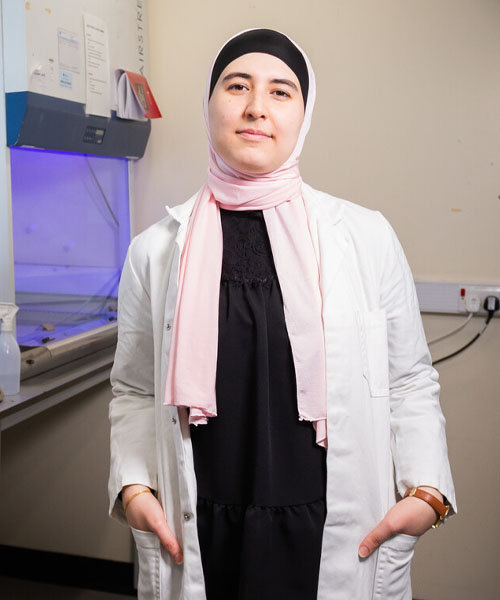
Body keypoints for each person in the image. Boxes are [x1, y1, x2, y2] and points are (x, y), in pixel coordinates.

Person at [108, 28, 456, 600]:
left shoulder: (365, 237)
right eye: (236, 85)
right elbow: (131, 388)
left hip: (329, 527)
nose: (255, 109)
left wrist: (427, 495)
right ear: (209, 103)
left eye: (280, 92)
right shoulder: (156, 249)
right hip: (203, 524)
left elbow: (411, 378)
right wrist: (133, 488)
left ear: (304, 112)